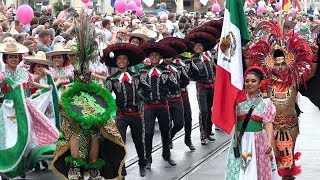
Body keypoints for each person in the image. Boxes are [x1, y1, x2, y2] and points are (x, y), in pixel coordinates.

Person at [51, 8, 126, 180]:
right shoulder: (68, 90)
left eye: (86, 75)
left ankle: (94, 171)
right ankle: (76, 170)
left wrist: (95, 117)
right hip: (75, 127)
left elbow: (102, 106)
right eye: (80, 74)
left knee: (94, 152)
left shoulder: (95, 87)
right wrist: (79, 119)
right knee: (76, 155)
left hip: (93, 127)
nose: (83, 77)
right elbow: (64, 108)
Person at [248, 22, 313, 179]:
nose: (280, 67)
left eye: (283, 63)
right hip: (272, 125)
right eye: (277, 64)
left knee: (288, 161)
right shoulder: (267, 82)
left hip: (291, 124)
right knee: (274, 160)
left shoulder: (295, 80)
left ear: (289, 63)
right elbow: (250, 79)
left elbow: (311, 73)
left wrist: (315, 57)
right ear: (271, 65)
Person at [0, 40, 58, 179]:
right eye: (10, 57)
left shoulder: (24, 73)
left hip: (25, 109)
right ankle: (7, 170)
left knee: (28, 138)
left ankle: (22, 167)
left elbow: (32, 83)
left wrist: (48, 87)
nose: (13, 59)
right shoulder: (3, 74)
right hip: (8, 111)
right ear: (6, 59)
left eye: (15, 56)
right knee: (11, 139)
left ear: (19, 58)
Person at [101, 43, 148, 177]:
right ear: (116, 62)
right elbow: (107, 97)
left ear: (128, 61)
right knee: (119, 143)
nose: (121, 61)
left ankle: (142, 163)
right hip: (121, 114)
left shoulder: (137, 76)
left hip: (136, 114)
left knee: (139, 140)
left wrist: (140, 98)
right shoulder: (112, 79)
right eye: (119, 59)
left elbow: (147, 90)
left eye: (124, 59)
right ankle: (121, 169)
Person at [225, 66, 279, 180]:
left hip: (257, 142)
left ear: (260, 83)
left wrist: (269, 142)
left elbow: (268, 124)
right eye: (247, 81)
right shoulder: (237, 101)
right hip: (239, 142)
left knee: (257, 173)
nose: (249, 84)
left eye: (253, 81)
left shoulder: (266, 103)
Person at [139, 41, 179, 169]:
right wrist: (143, 96)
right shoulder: (143, 71)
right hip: (149, 106)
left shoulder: (166, 71)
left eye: (157, 55)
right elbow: (137, 88)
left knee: (165, 131)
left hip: (162, 105)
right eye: (152, 55)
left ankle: (167, 156)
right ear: (149, 57)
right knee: (148, 133)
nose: (154, 57)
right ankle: (148, 159)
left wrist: (167, 88)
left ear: (160, 57)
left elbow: (175, 87)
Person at [185, 31, 217, 145]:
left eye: (200, 45)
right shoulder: (191, 59)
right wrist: (198, 76)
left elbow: (215, 69)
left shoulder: (208, 57)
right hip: (201, 87)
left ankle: (208, 132)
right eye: (196, 46)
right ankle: (202, 135)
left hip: (212, 86)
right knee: (203, 111)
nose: (198, 47)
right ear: (193, 48)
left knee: (210, 110)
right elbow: (188, 74)